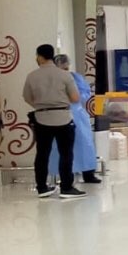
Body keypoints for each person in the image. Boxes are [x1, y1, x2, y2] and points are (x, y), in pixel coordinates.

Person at [23, 43, 84, 199]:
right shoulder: (65, 75)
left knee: (42, 154)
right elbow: (76, 97)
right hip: (63, 117)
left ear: (40, 57)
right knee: (66, 153)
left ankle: (42, 188)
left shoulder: (32, 76)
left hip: (41, 118)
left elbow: (27, 97)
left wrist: (41, 105)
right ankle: (66, 187)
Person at [49, 55, 100, 184]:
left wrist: (75, 96)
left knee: (85, 143)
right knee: (64, 148)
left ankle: (88, 173)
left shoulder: (75, 78)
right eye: (62, 69)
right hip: (60, 114)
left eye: (67, 68)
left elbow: (85, 94)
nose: (65, 71)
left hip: (78, 114)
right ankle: (66, 176)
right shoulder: (51, 80)